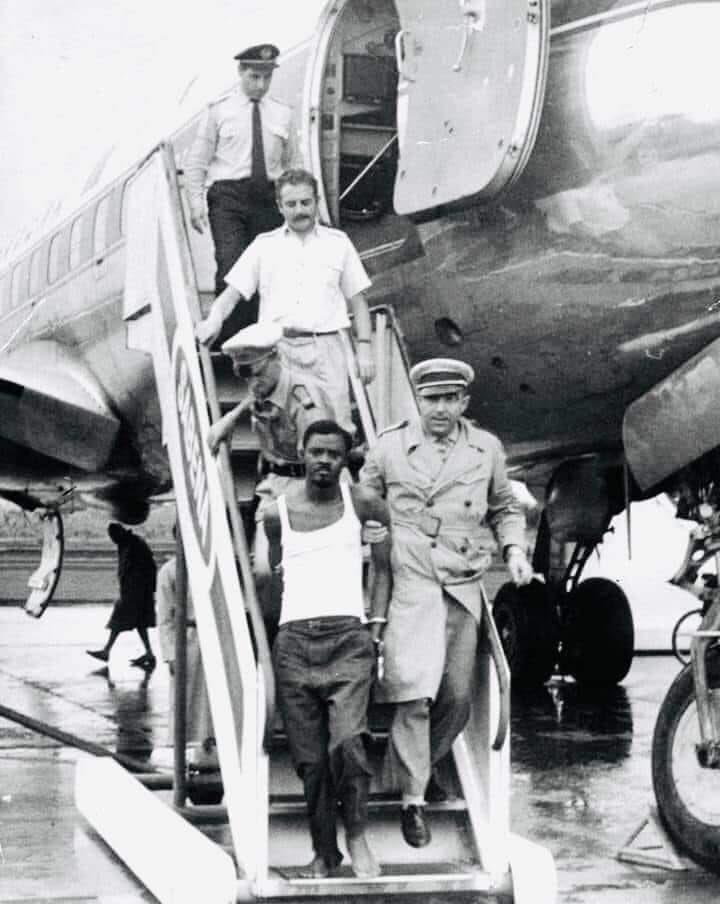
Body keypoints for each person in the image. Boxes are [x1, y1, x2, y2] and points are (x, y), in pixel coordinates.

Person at [360, 358, 534, 848]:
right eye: (431, 399)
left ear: (464, 402)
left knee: (457, 697)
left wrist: (514, 550)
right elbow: (363, 498)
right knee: (413, 691)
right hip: (411, 575)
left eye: (449, 399)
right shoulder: (390, 446)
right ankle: (413, 800)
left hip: (461, 577)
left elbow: (504, 506)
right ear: (418, 400)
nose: (440, 408)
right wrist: (369, 527)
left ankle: (416, 765)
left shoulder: (486, 448)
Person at [263, 419, 392, 879]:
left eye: (333, 454)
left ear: (345, 459)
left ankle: (356, 833)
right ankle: (324, 851)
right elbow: (275, 576)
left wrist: (375, 628)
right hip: (294, 646)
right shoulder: (276, 514)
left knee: (349, 743)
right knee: (311, 763)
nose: (324, 460)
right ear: (302, 452)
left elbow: (383, 569)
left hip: (348, 641)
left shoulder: (365, 504)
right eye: (316, 451)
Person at [195, 168, 376, 436]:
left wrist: (364, 348)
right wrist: (214, 319)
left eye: (305, 202)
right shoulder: (263, 246)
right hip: (278, 352)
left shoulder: (338, 243)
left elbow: (359, 302)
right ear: (279, 207)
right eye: (291, 204)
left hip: (326, 349)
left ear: (316, 202)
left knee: (336, 431)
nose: (299, 210)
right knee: (282, 432)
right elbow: (230, 295)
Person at [206, 321, 337, 627]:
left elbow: (324, 462)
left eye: (257, 372)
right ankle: (271, 636)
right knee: (264, 571)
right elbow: (258, 396)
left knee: (305, 573)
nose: (252, 383)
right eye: (244, 375)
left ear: (276, 358)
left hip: (311, 488)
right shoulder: (265, 386)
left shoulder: (306, 402)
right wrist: (230, 418)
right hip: (274, 488)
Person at [185, 43, 299, 309]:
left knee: (268, 270)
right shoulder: (219, 111)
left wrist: (298, 201)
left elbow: (294, 163)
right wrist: (195, 202)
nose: (261, 85)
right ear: (240, 71)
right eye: (254, 77)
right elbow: (197, 162)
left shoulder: (283, 113)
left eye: (267, 78)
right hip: (229, 198)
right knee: (231, 264)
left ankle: (264, 331)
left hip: (269, 198)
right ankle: (229, 333)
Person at [156, 544, 215, 767]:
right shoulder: (170, 571)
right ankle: (181, 751)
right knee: (184, 698)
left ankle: (209, 747)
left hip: (213, 636)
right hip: (186, 639)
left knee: (210, 699)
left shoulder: (212, 565)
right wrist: (170, 653)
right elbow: (164, 617)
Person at [87, 523, 158, 669]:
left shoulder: (134, 544)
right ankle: (149, 653)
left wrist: (145, 589)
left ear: (119, 533)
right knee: (140, 623)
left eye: (113, 537)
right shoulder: (126, 543)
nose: (113, 540)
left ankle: (107, 650)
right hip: (134, 591)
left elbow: (150, 567)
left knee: (119, 620)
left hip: (136, 591)